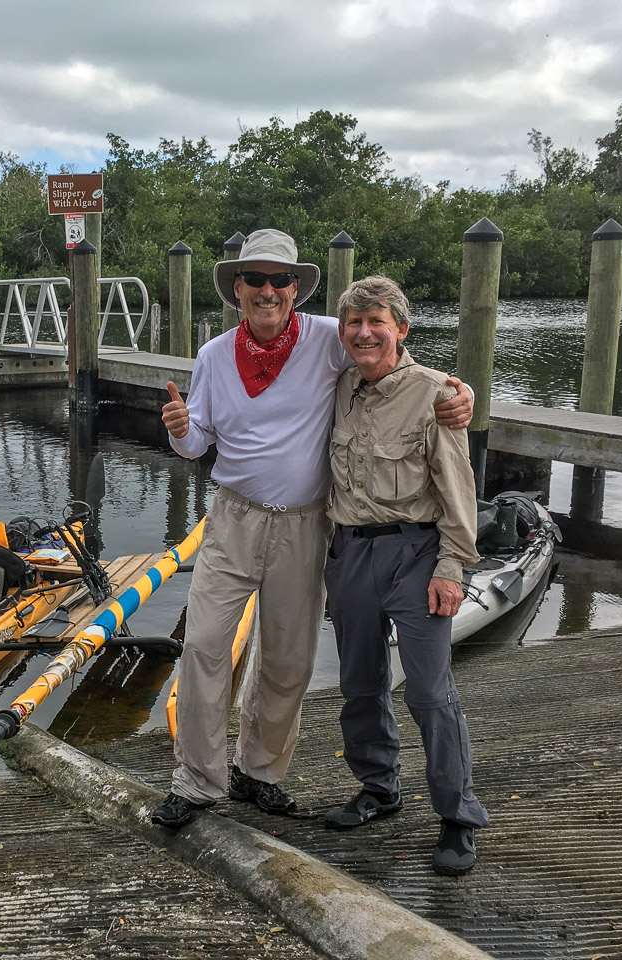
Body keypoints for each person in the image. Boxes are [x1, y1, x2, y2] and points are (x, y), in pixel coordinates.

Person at [153, 229, 473, 829]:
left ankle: (260, 772)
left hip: (307, 525)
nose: (268, 291)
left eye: (280, 280)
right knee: (203, 646)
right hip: (233, 517)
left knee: (289, 658)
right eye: (255, 280)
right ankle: (196, 781)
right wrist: (178, 427)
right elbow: (198, 442)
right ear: (237, 290)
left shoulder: (330, 338)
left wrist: (464, 394)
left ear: (295, 288)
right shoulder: (214, 355)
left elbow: (397, 366)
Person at [322, 275, 487, 876]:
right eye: (353, 324)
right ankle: (379, 788)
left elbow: (459, 491)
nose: (364, 333)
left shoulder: (437, 394)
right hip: (349, 555)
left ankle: (457, 813)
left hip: (417, 554)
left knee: (428, 691)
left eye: (377, 322)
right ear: (342, 334)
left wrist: (452, 566)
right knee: (360, 682)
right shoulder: (338, 385)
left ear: (402, 329)